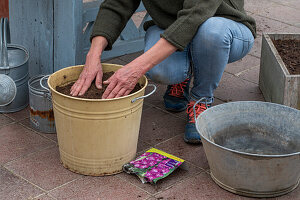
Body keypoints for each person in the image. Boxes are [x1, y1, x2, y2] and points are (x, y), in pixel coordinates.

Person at [70, 0, 256, 144]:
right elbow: (116, 5)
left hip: (226, 27)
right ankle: (181, 77)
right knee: (161, 70)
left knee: (211, 31)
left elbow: (195, 15)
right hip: (171, 25)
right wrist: (93, 54)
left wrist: (136, 68)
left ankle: (201, 98)